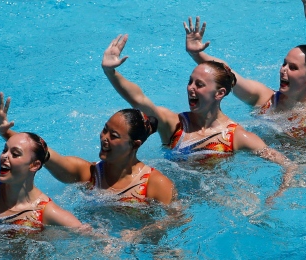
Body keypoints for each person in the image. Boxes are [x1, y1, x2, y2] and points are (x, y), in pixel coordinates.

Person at [101, 32, 295, 197]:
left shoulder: (235, 136)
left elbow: (288, 165)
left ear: (219, 93)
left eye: (199, 85)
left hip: (214, 200)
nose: (190, 89)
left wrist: (277, 195)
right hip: (169, 200)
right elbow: (139, 100)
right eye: (190, 82)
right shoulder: (174, 125)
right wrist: (111, 72)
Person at [0, 93, 175, 205]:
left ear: (135, 145)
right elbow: (43, 153)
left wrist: (138, 234)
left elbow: (174, 220)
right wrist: (5, 133)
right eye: (104, 130)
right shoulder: (89, 174)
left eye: (114, 136)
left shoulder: (155, 184)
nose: (104, 138)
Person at [184, 16, 306, 138]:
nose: (283, 70)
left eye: (292, 67)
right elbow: (228, 72)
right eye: (284, 63)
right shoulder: (264, 98)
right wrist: (197, 54)